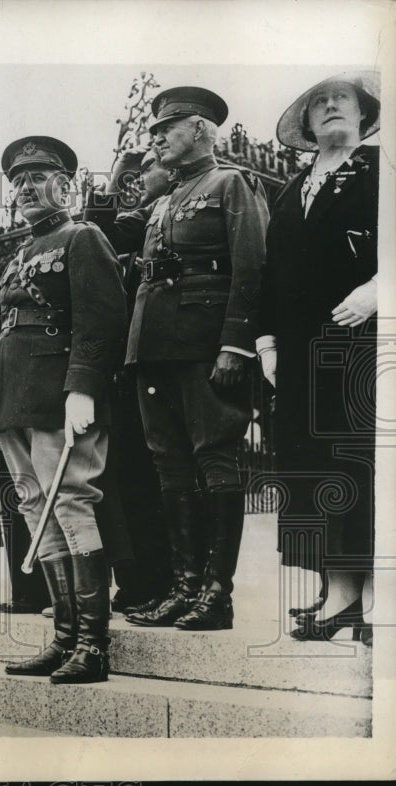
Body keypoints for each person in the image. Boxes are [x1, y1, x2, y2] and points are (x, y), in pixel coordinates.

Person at [89, 87, 269, 631]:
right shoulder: (163, 199)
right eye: (154, 131)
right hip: (153, 346)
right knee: (169, 463)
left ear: (200, 130)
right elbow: (100, 227)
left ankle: (216, 593)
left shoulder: (230, 183)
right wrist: (119, 171)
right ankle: (185, 586)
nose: (157, 138)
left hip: (205, 343)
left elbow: (252, 265)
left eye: (167, 128)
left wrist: (236, 344)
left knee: (214, 456)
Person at [0, 136, 127, 683]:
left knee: (70, 502)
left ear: (65, 185)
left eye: (38, 177)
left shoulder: (83, 237)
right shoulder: (18, 255)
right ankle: (64, 639)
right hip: (15, 399)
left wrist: (82, 388)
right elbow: (4, 333)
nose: (26, 188)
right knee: (35, 508)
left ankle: (93, 646)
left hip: (59, 396)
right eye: (18, 181)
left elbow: (101, 318)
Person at [257, 71, 379, 645]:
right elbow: (270, 273)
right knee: (310, 465)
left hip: (360, 340)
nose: (331, 107)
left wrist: (380, 289)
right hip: (301, 348)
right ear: (306, 123)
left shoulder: (380, 171)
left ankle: (357, 597)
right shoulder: (290, 190)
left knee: (352, 462)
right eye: (319, 103)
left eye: (342, 99)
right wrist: (267, 342)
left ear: (364, 113)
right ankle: (336, 588)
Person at [100, 147, 175, 615]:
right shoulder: (138, 222)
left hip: (165, 362)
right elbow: (96, 227)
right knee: (126, 478)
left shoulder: (170, 215)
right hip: (127, 370)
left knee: (158, 477)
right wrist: (116, 175)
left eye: (149, 167)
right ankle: (138, 580)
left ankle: (166, 581)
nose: (140, 176)